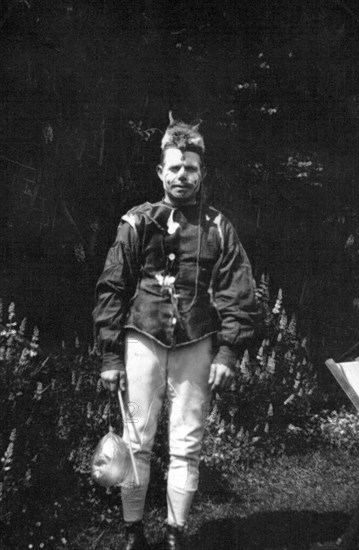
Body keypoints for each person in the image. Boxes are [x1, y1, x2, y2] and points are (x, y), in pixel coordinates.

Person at [93, 114, 257, 550]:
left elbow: (237, 291)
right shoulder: (137, 221)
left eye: (191, 169)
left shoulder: (219, 227)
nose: (183, 176)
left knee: (186, 441)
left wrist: (227, 354)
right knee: (137, 440)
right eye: (175, 169)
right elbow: (112, 286)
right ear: (161, 172)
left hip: (196, 344)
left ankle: (174, 532)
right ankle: (133, 530)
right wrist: (111, 356)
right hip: (142, 339)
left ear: (202, 173)